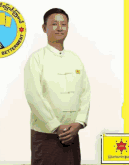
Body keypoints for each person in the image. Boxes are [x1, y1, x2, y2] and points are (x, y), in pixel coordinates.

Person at [24, 8, 91, 165]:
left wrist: (79, 123)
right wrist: (55, 126)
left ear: (68, 27)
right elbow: (33, 96)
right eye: (54, 24)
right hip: (45, 134)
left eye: (63, 24)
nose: (59, 28)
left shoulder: (75, 59)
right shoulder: (37, 59)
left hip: (72, 135)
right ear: (44, 28)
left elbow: (85, 92)